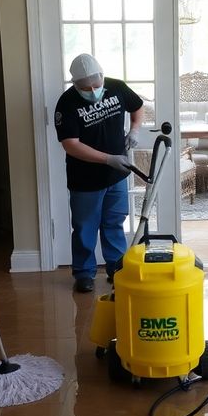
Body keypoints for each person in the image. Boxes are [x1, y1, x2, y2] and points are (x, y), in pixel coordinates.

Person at [54, 54, 144, 293]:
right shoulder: (67, 103)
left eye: (96, 84)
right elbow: (70, 144)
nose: (93, 90)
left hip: (117, 175)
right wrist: (108, 159)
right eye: (86, 87)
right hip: (85, 179)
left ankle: (117, 268)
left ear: (102, 76)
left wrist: (134, 130)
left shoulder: (116, 87)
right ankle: (84, 273)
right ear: (75, 84)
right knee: (85, 227)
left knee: (114, 222)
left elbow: (138, 107)